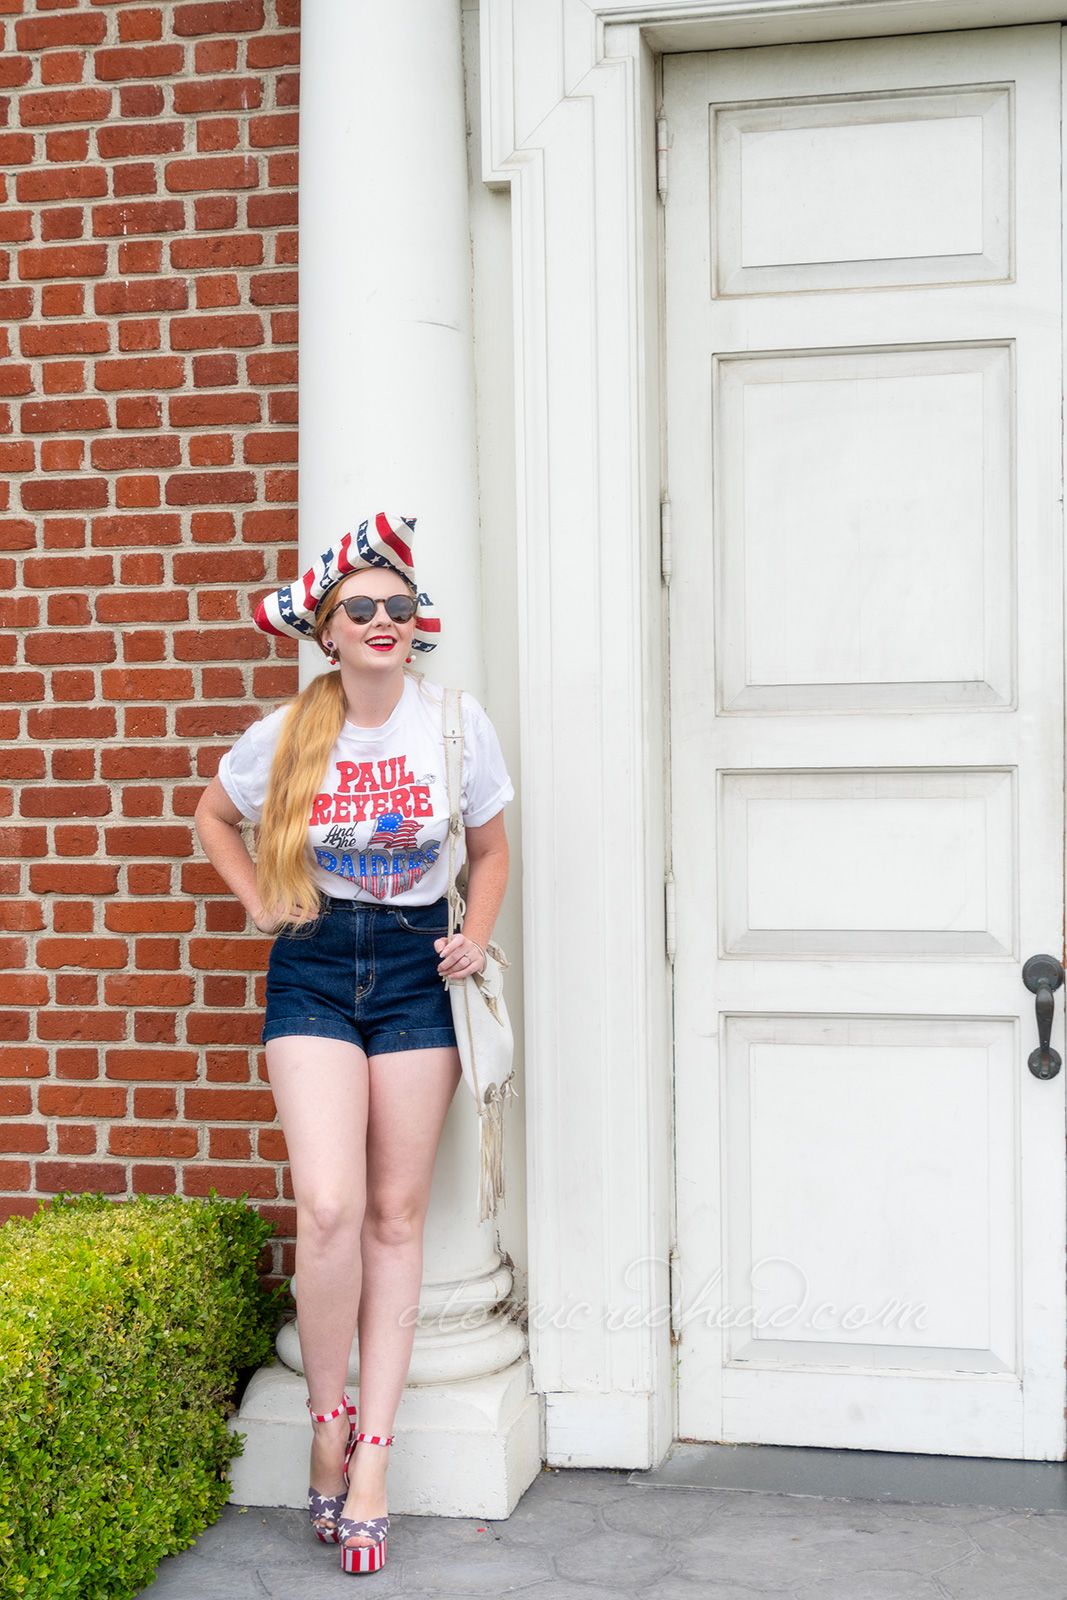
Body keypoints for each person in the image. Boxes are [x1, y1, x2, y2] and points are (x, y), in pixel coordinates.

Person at [193, 514, 512, 1576]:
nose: (382, 621)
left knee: (394, 1211)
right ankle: (324, 1418)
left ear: (416, 625)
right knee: (327, 1206)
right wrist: (256, 903)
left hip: (420, 970)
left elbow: (490, 848)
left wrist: (474, 933)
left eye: (396, 606)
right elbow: (211, 815)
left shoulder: (454, 724)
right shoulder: (288, 731)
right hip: (317, 966)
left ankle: (370, 1458)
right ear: (327, 631)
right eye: (358, 608)